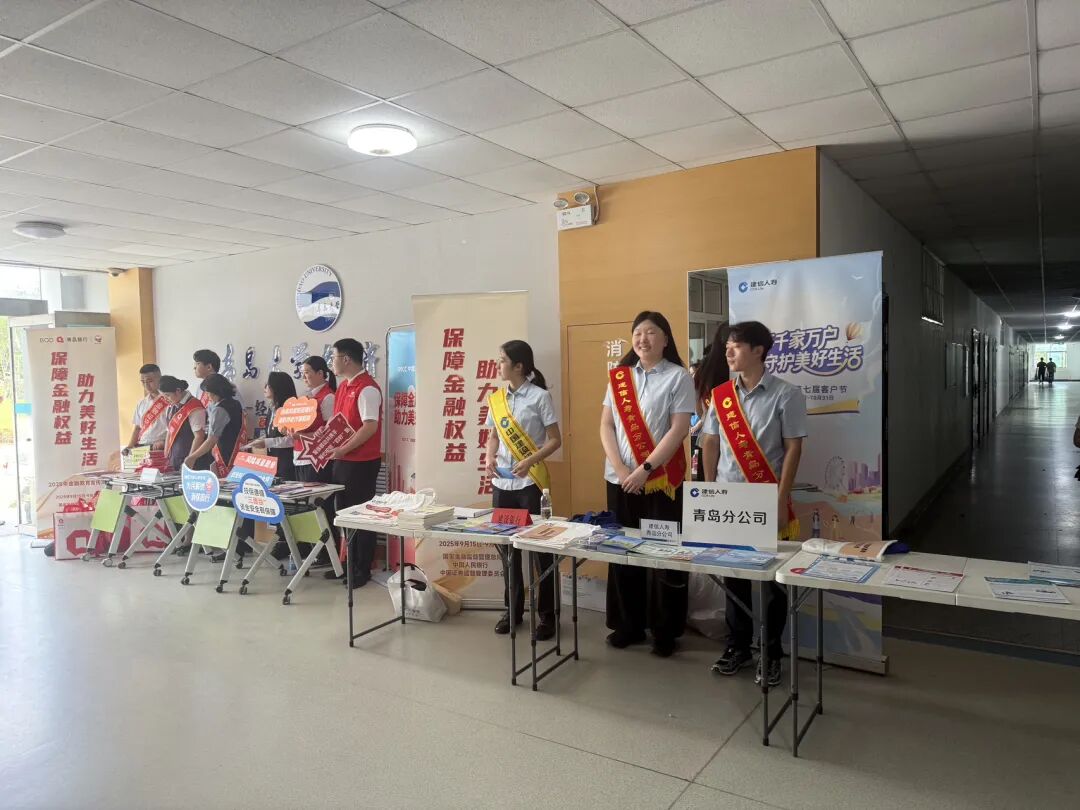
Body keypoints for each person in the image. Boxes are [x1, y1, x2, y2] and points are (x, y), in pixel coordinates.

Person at [701, 321, 807, 687]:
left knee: (772, 583)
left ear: (758, 350)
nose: (728, 352)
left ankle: (772, 652)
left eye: (736, 346)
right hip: (729, 501)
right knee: (734, 580)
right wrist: (709, 490)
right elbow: (710, 442)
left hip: (766, 499)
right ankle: (738, 647)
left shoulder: (786, 395)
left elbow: (793, 448)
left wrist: (780, 498)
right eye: (727, 346)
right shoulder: (720, 396)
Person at [599, 311, 695, 657]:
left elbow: (679, 429)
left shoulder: (678, 377)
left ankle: (665, 630)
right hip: (620, 480)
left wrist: (645, 469)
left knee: (663, 553)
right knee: (623, 552)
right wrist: (621, 468)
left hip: (660, 481)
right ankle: (628, 625)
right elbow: (606, 425)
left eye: (651, 332)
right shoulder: (620, 378)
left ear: (665, 339)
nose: (643, 338)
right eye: (638, 332)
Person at [483, 340, 562, 639]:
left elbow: (555, 440)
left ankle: (547, 616)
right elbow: (493, 436)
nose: (498, 364)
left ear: (519, 366)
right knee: (508, 550)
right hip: (502, 484)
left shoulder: (540, 397)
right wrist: (489, 457)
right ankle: (513, 610)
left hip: (531, 484)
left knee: (540, 550)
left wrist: (530, 460)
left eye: (502, 360)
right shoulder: (497, 399)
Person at [329, 339, 383, 587]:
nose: (332, 363)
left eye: (334, 357)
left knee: (361, 515)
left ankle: (363, 568)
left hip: (361, 462)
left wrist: (343, 449)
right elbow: (338, 424)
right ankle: (348, 564)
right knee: (344, 513)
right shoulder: (343, 387)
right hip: (343, 460)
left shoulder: (367, 388)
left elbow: (369, 427)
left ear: (346, 359)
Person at [185, 373, 245, 476]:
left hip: (224, 455)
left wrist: (192, 457)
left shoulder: (220, 410)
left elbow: (211, 440)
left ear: (216, 392)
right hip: (237, 451)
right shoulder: (235, 403)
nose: (207, 396)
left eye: (208, 393)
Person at [246, 371, 297, 480]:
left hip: (287, 462)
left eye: (268, 385)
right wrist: (260, 440)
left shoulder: (289, 410)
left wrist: (266, 442)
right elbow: (271, 434)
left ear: (277, 388)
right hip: (273, 461)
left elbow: (291, 440)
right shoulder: (272, 409)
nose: (265, 388)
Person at [158, 376, 207, 472]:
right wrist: (166, 455)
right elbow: (169, 432)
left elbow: (199, 436)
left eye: (167, 395)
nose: (166, 399)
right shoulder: (171, 406)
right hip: (174, 459)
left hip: (190, 460)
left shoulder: (194, 406)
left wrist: (190, 459)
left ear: (178, 391)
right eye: (163, 396)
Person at [123, 363, 167, 454]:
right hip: (142, 447)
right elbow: (137, 428)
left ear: (160, 378)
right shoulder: (142, 403)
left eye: (150, 381)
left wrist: (165, 441)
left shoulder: (169, 400)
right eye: (143, 382)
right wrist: (129, 446)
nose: (146, 385)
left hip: (161, 447)